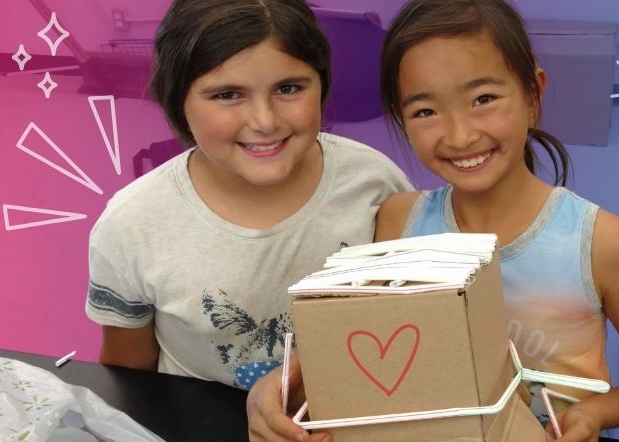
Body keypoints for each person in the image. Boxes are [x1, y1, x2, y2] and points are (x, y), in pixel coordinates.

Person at [247, 1, 619, 442]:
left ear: (532, 95)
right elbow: (367, 353)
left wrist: (594, 413)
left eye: (483, 99)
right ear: (402, 121)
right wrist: (280, 387)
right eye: (425, 111)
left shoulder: (602, 243)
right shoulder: (398, 222)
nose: (460, 135)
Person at [85, 0, 411, 400]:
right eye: (227, 94)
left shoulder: (375, 184)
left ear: (322, 84)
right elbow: (128, 373)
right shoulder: (131, 225)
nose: (265, 121)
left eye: (289, 88)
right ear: (177, 101)